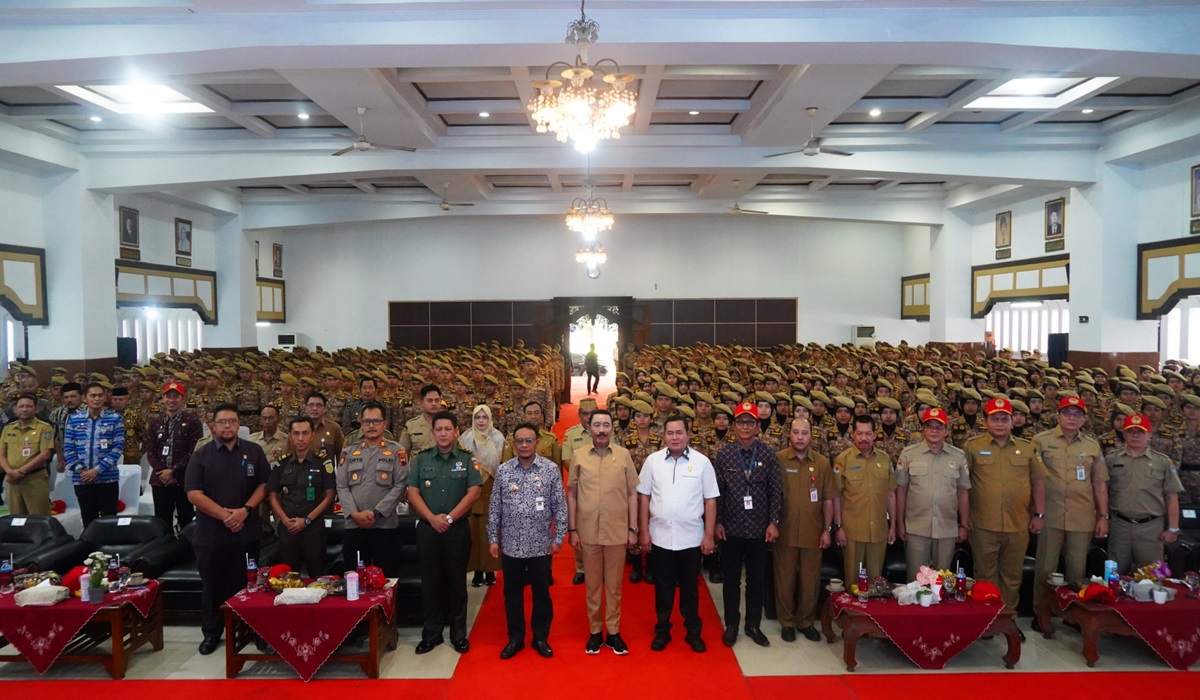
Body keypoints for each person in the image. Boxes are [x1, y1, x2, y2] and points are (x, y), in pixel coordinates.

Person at [185, 403, 270, 655]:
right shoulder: (201, 455)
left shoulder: (254, 451)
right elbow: (193, 494)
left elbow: (264, 485)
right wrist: (226, 516)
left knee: (249, 585)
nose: (227, 426)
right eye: (222, 422)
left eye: (232, 421)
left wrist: (245, 511)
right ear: (212, 425)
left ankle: (251, 630)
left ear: (239, 425)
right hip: (212, 534)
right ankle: (212, 633)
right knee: (212, 586)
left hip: (247, 530)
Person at [637, 414, 719, 653]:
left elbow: (710, 500)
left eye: (679, 433)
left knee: (690, 589)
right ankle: (662, 630)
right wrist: (644, 531)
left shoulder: (702, 462)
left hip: (691, 538)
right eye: (670, 433)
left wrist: (709, 535)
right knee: (662, 589)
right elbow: (644, 497)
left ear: (688, 434)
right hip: (660, 537)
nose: (674, 437)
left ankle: (693, 632)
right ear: (664, 436)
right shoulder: (652, 461)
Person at [488, 423, 567, 660]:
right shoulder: (504, 471)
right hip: (511, 544)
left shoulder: (550, 469)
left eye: (529, 440)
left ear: (537, 443)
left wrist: (559, 537)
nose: (524, 445)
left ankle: (540, 636)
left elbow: (559, 505)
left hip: (540, 544)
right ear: (513, 444)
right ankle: (515, 638)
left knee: (541, 593)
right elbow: (495, 506)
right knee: (512, 594)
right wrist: (493, 537)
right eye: (519, 441)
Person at [406, 411, 482, 654]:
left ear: (456, 431)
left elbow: (474, 492)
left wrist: (449, 518)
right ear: (432, 433)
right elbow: (412, 492)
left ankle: (458, 634)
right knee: (430, 583)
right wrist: (431, 518)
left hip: (457, 529)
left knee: (457, 583)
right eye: (438, 429)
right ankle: (432, 634)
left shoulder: (467, 459)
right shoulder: (421, 459)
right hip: (428, 530)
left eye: (448, 429)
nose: (443, 433)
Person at [964, 397, 1048, 614]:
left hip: (1018, 524)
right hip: (982, 524)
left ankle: (1007, 619)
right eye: (994, 419)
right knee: (984, 576)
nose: (999, 423)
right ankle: (986, 619)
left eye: (1004, 419)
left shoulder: (1028, 448)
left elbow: (1038, 482)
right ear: (986, 422)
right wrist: (964, 518)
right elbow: (963, 485)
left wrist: (1039, 514)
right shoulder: (972, 447)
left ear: (1013, 421)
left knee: (1012, 577)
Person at [567, 409, 639, 655]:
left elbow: (632, 493)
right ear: (589, 428)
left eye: (606, 425)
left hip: (617, 531)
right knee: (593, 585)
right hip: (587, 531)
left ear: (612, 428)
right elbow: (572, 494)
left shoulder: (623, 455)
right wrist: (572, 528)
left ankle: (614, 632)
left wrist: (633, 528)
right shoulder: (579, 456)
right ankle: (595, 632)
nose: (601, 429)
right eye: (596, 424)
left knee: (614, 586)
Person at [1030, 395, 1109, 619]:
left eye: (1077, 414)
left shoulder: (1092, 445)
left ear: (1084, 420)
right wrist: (1035, 513)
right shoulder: (1041, 441)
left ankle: (1075, 616)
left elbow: (1099, 483)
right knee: (1045, 569)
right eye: (1067, 413)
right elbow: (1033, 480)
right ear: (1058, 416)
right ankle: (1041, 614)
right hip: (1050, 513)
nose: (1072, 418)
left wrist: (1103, 516)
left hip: (1081, 515)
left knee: (1077, 571)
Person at [713, 401, 782, 648]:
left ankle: (753, 624)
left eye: (750, 422)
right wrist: (717, 522)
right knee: (731, 579)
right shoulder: (723, 455)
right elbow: (717, 492)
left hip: (758, 529)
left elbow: (775, 491)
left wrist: (773, 522)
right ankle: (732, 624)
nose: (745, 426)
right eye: (740, 422)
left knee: (756, 580)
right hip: (730, 528)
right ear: (734, 426)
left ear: (758, 426)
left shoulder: (767, 455)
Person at [773, 417, 833, 643]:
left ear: (811, 435)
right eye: (796, 432)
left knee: (811, 580)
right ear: (789, 435)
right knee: (784, 579)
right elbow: (772, 496)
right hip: (785, 531)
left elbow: (827, 499)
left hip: (813, 531)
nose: (800, 437)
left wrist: (827, 529)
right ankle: (787, 622)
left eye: (804, 433)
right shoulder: (778, 460)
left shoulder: (822, 462)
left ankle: (806, 622)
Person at [895, 407, 971, 581]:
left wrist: (964, 525)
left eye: (939, 427)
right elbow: (901, 491)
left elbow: (963, 492)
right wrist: (900, 523)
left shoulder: (958, 456)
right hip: (916, 528)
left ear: (946, 430)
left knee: (942, 581)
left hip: (947, 529)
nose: (934, 431)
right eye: (930, 426)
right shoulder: (909, 454)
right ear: (923, 429)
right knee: (915, 581)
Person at [338, 401, 409, 577]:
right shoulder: (349, 451)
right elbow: (341, 485)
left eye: (376, 421)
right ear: (360, 423)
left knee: (388, 578)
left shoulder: (396, 451)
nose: (371, 426)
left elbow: (401, 484)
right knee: (354, 578)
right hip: (354, 525)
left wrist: (377, 513)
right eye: (367, 421)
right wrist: (355, 514)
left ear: (384, 423)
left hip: (385, 526)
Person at [1105, 414, 1184, 573]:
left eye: (1140, 432)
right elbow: (1102, 492)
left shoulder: (1162, 461)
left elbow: (1171, 496)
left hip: (1151, 528)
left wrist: (1173, 528)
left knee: (1152, 577)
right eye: (1131, 431)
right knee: (1115, 575)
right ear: (1124, 434)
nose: (1135, 436)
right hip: (1120, 526)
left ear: (1149, 435)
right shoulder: (1111, 459)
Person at [267, 415, 337, 577]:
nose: (300, 438)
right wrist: (284, 520)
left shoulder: (323, 462)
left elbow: (329, 495)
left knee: (317, 576)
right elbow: (272, 495)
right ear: (290, 436)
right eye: (296, 433)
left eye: (305, 433)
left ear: (312, 435)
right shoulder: (281, 463)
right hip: (288, 528)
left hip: (313, 528)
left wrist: (306, 520)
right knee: (288, 577)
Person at [833, 414, 896, 586]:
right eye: (859, 434)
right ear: (853, 434)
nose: (863, 438)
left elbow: (891, 494)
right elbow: (836, 496)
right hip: (852, 531)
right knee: (853, 582)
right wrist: (838, 527)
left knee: (876, 582)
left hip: (879, 531)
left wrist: (893, 526)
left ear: (875, 434)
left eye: (868, 434)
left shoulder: (885, 459)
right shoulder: (843, 460)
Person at [62, 382, 124, 526]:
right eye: (93, 395)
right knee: (88, 519)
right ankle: (90, 548)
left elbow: (117, 448)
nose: (97, 399)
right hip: (82, 478)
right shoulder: (74, 419)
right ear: (85, 398)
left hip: (107, 478)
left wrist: (96, 471)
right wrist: (81, 470)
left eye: (100, 395)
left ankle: (109, 547)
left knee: (109, 521)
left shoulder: (115, 418)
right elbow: (69, 448)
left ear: (105, 398)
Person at [144, 381, 203, 531]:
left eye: (175, 396)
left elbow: (194, 451)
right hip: (160, 480)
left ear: (182, 399)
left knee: (186, 519)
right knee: (162, 521)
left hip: (183, 479)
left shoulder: (192, 421)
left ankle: (186, 550)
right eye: (168, 396)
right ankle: (165, 550)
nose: (171, 400)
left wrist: (173, 471)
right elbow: (150, 450)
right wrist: (163, 472)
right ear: (163, 399)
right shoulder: (156, 422)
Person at [460, 404, 503, 587]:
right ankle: (477, 571)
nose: (481, 421)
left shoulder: (498, 437)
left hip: (491, 485)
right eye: (478, 417)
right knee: (473, 531)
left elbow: (501, 462)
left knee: (489, 529)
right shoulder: (465, 438)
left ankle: (490, 570)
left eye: (484, 418)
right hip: (470, 487)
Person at [561, 397, 596, 585]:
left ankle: (600, 566)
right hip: (580, 488)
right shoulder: (571, 434)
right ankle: (581, 567)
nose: (588, 417)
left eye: (592, 414)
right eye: (584, 414)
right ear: (579, 414)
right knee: (580, 528)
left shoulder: (607, 431)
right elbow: (566, 459)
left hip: (604, 487)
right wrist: (581, 474)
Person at [0, 393, 54, 515]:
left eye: (29, 406)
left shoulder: (44, 428)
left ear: (36, 409)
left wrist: (21, 471)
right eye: (21, 406)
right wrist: (9, 471)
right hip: (12, 480)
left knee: (39, 518)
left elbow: (45, 454)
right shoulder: (8, 428)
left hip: (34, 479)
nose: (24, 409)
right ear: (15, 409)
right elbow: (1, 454)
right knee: (16, 519)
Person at [400, 384, 441, 454]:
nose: (434, 403)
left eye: (437, 400)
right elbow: (402, 453)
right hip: (417, 464)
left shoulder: (449, 425)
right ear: (422, 402)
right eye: (430, 400)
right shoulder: (411, 425)